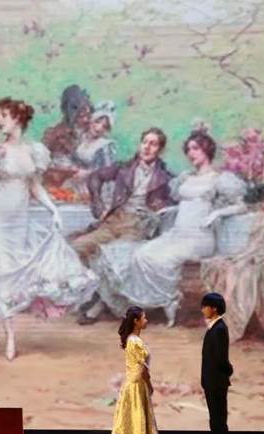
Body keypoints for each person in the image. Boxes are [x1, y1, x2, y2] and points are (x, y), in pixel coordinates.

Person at [0, 98, 97, 360]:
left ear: (18, 118)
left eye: (3, 115)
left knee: (6, 274)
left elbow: (35, 186)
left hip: (20, 221)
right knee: (4, 272)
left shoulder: (33, 151)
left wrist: (52, 208)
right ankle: (10, 337)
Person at [93, 131, 247, 326]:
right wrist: (169, 210)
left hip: (200, 237)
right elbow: (186, 203)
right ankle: (159, 300)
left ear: (207, 150)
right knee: (140, 254)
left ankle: (170, 300)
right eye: (188, 149)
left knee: (160, 259)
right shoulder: (186, 177)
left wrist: (216, 214)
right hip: (177, 233)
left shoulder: (219, 178)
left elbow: (241, 206)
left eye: (195, 149)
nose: (191, 153)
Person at [74, 127, 175, 324]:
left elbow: (173, 204)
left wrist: (158, 211)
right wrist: (97, 201)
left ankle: (99, 305)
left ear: (160, 150)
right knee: (78, 247)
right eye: (144, 142)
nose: (147, 147)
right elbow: (95, 177)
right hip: (114, 221)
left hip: (137, 225)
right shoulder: (124, 167)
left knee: (114, 258)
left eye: (153, 144)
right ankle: (96, 293)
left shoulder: (165, 178)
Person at [104, 306, 170, 434]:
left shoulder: (133, 340)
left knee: (134, 422)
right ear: (136, 321)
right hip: (136, 385)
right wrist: (150, 384)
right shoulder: (135, 341)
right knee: (135, 422)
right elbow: (143, 368)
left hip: (134, 384)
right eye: (144, 318)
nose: (146, 321)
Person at [200, 292, 234, 434]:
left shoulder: (219, 329)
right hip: (212, 383)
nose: (202, 310)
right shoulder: (214, 327)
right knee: (216, 422)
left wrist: (228, 371)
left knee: (219, 423)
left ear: (214, 308)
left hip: (216, 384)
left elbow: (221, 359)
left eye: (205, 306)